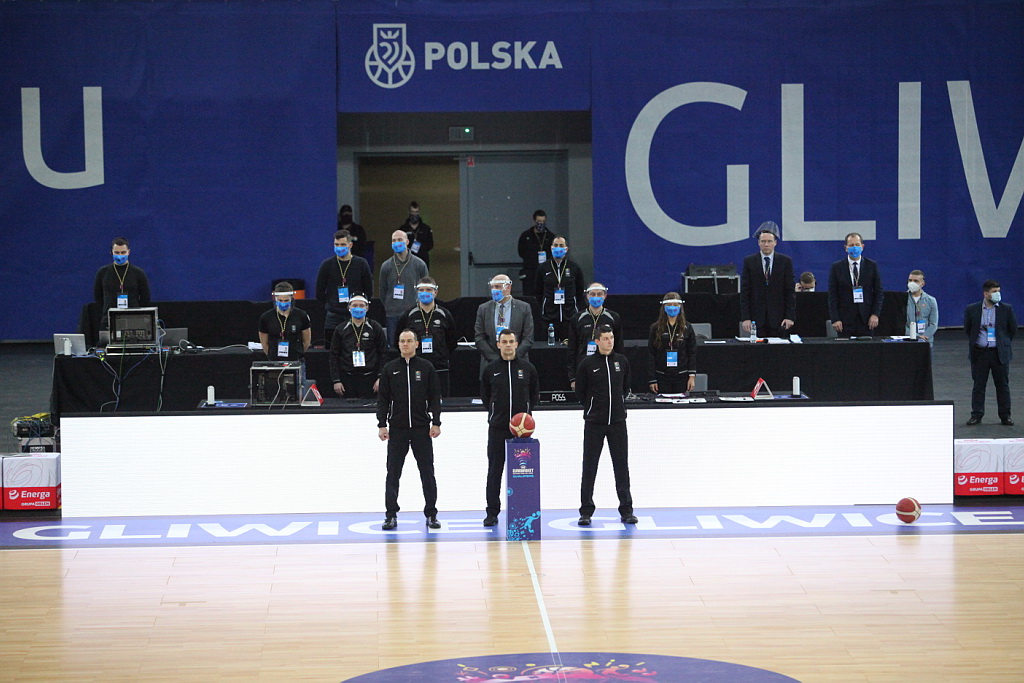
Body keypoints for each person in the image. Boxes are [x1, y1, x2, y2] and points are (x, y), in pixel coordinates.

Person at [376, 329, 443, 530]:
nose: (405, 344)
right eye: (402, 341)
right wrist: (382, 424)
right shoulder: (390, 368)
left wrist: (436, 422)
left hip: (422, 429)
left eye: (409, 341)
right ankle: (390, 515)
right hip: (397, 429)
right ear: (398, 344)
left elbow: (435, 397)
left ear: (417, 344)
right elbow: (383, 399)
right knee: (393, 472)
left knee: (427, 472)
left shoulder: (426, 367)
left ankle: (431, 514)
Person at [575, 325, 636, 526]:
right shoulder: (587, 364)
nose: (610, 341)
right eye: (606, 338)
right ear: (597, 341)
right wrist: (592, 407)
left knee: (621, 466)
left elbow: (626, 386)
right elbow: (581, 391)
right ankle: (586, 511)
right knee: (589, 466)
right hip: (594, 423)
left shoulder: (622, 361)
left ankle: (626, 509)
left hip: (618, 422)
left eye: (611, 338)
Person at [480, 329, 540, 527]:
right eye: (504, 341)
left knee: (523, 472)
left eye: (511, 341)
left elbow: (534, 395)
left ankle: (522, 511)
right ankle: (492, 512)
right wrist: (496, 414)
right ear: (498, 344)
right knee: (494, 471)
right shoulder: (490, 369)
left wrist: (524, 417)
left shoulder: (528, 368)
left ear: (516, 344)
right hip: (498, 429)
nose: (507, 345)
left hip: (522, 434)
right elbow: (485, 396)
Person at [964, 280, 1016, 426]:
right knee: (979, 385)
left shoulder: (1006, 309)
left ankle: (1005, 416)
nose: (997, 294)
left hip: (999, 353)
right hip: (980, 353)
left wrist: (1003, 343)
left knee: (1002, 385)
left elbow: (1012, 329)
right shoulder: (972, 309)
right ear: (986, 293)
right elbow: (969, 329)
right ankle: (977, 414)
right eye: (994, 292)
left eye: (998, 291)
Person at [396, 277, 459, 397]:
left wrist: (442, 354)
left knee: (441, 401)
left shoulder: (445, 314)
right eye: (421, 290)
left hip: (440, 367)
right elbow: (398, 341)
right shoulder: (408, 315)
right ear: (417, 292)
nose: (425, 293)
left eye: (429, 290)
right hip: (415, 366)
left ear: (436, 292)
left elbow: (452, 341)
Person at [315, 229, 373, 349]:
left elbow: (368, 289)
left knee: (357, 348)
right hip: (333, 315)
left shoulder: (361, 263)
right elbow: (319, 291)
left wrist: (358, 305)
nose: (339, 247)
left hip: (355, 314)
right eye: (336, 244)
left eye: (342, 244)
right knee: (331, 350)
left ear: (350, 245)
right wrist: (330, 304)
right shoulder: (327, 265)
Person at [740, 222, 795, 337]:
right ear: (758, 243)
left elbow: (790, 291)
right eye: (763, 241)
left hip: (779, 319)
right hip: (756, 319)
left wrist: (789, 317)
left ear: (775, 243)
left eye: (769, 241)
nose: (766, 244)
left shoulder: (785, 262)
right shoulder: (750, 261)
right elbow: (745, 292)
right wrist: (745, 318)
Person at [474, 274, 534, 376]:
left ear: (508, 287)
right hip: (490, 363)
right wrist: (497, 360)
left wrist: (513, 357)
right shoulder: (483, 309)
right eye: (492, 287)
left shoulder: (524, 308)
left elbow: (528, 338)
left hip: (518, 363)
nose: (494, 290)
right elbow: (479, 338)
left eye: (497, 287)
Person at [328, 295, 387, 399]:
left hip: (370, 379)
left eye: (361, 305)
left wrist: (380, 377)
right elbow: (333, 355)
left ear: (367, 308)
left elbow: (383, 354)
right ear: (349, 307)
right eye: (354, 305)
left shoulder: (375, 327)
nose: (358, 308)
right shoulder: (340, 329)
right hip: (347, 379)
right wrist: (336, 380)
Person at [567, 283, 623, 390]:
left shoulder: (613, 317)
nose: (596, 297)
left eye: (599, 294)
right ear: (587, 296)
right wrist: (572, 377)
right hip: (584, 365)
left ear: (605, 296)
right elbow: (572, 348)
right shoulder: (577, 318)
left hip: (607, 365)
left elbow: (619, 346)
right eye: (592, 294)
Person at [827, 232, 884, 337]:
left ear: (862, 247)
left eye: (857, 245)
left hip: (867, 319)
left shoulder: (871, 266)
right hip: (844, 321)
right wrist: (835, 319)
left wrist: (875, 314)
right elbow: (832, 295)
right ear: (846, 248)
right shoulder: (837, 267)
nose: (854, 247)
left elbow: (879, 293)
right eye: (851, 245)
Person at [379, 229, 429, 347]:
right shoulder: (386, 266)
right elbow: (382, 291)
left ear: (407, 242)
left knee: (414, 346)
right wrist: (390, 306)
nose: (396, 243)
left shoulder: (419, 264)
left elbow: (426, 288)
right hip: (393, 314)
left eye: (399, 240)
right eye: (394, 240)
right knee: (393, 347)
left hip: (414, 313)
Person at [534, 235, 585, 344]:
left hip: (569, 316)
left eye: (561, 245)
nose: (558, 248)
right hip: (549, 317)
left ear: (566, 249)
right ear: (551, 248)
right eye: (556, 245)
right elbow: (538, 291)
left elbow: (580, 291)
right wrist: (545, 306)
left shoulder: (574, 267)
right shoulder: (543, 268)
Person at [93, 237, 151, 330]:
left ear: (128, 252)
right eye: (117, 252)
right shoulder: (102, 273)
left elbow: (145, 299)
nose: (120, 255)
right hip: (108, 320)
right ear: (111, 252)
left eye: (123, 252)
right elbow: (98, 298)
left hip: (133, 319)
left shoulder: (138, 273)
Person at [647, 293, 697, 394]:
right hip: (661, 375)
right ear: (664, 307)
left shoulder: (687, 327)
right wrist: (652, 379)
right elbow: (651, 354)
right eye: (669, 305)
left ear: (680, 307)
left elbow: (692, 352)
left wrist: (691, 376)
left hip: (682, 375)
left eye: (675, 305)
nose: (672, 307)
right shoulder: (655, 328)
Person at [258, 281, 311, 361]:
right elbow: (264, 343)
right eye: (280, 300)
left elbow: (306, 341)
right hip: (274, 360)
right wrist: (271, 355)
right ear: (275, 299)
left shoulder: (301, 315)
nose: (283, 303)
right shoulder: (266, 317)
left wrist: (299, 354)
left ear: (292, 299)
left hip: (296, 359)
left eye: (286, 300)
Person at [517, 210, 555, 297]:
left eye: (543, 221)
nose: (541, 223)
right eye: (539, 221)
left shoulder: (550, 236)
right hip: (530, 272)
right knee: (529, 296)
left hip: (545, 272)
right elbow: (521, 252)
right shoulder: (526, 236)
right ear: (534, 221)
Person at [905, 270, 938, 347]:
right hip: (907, 341)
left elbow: (933, 324)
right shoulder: (901, 299)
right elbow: (899, 324)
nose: (912, 283)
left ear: (922, 284)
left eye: (916, 281)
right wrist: (916, 336)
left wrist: (924, 337)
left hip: (926, 342)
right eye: (910, 280)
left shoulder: (931, 300)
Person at [399, 201, 434, 267]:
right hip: (407, 264)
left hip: (422, 262)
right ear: (409, 212)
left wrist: (420, 248)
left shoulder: (426, 229)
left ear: (419, 213)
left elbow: (430, 245)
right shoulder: (403, 229)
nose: (414, 214)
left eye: (416, 212)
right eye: (412, 212)